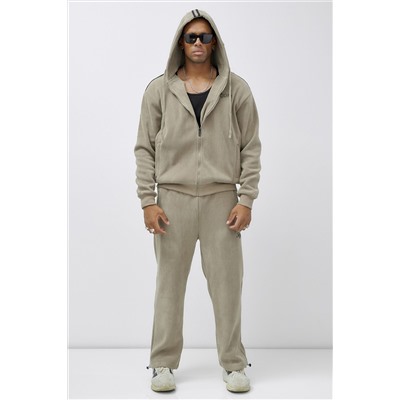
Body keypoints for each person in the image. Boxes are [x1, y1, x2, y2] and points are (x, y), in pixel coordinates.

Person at [134, 9, 261, 393]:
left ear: (214, 41)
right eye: (191, 37)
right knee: (168, 287)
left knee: (228, 286)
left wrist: (246, 198)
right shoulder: (159, 90)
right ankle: (162, 365)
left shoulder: (236, 90)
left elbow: (251, 147)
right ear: (181, 42)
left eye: (205, 37)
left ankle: (234, 365)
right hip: (172, 201)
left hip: (222, 200)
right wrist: (148, 200)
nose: (198, 43)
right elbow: (144, 148)